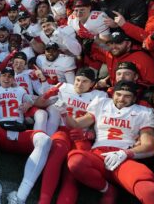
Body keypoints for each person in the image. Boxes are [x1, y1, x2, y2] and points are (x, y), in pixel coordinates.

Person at [64, 80, 154, 204]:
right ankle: (107, 189)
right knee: (75, 161)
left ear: (134, 98)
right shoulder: (102, 104)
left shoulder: (143, 112)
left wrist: (125, 153)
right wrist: (63, 113)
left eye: (127, 96)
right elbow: (76, 124)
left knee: (149, 190)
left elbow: (149, 145)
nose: (121, 99)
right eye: (118, 94)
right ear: (113, 93)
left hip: (123, 158)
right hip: (97, 154)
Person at [0, 66, 52, 204]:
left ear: (14, 78)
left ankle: (20, 197)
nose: (7, 78)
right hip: (0, 132)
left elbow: (38, 102)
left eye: (10, 76)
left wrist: (30, 102)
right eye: (4, 75)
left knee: (45, 140)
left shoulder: (21, 90)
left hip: (19, 131)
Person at [37, 68, 108, 204]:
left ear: (92, 83)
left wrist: (91, 133)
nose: (79, 84)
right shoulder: (63, 87)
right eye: (78, 80)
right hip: (63, 130)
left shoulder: (100, 96)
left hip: (82, 135)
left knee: (73, 169)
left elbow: (100, 121)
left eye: (85, 81)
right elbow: (39, 103)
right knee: (56, 153)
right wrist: (47, 95)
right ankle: (44, 200)